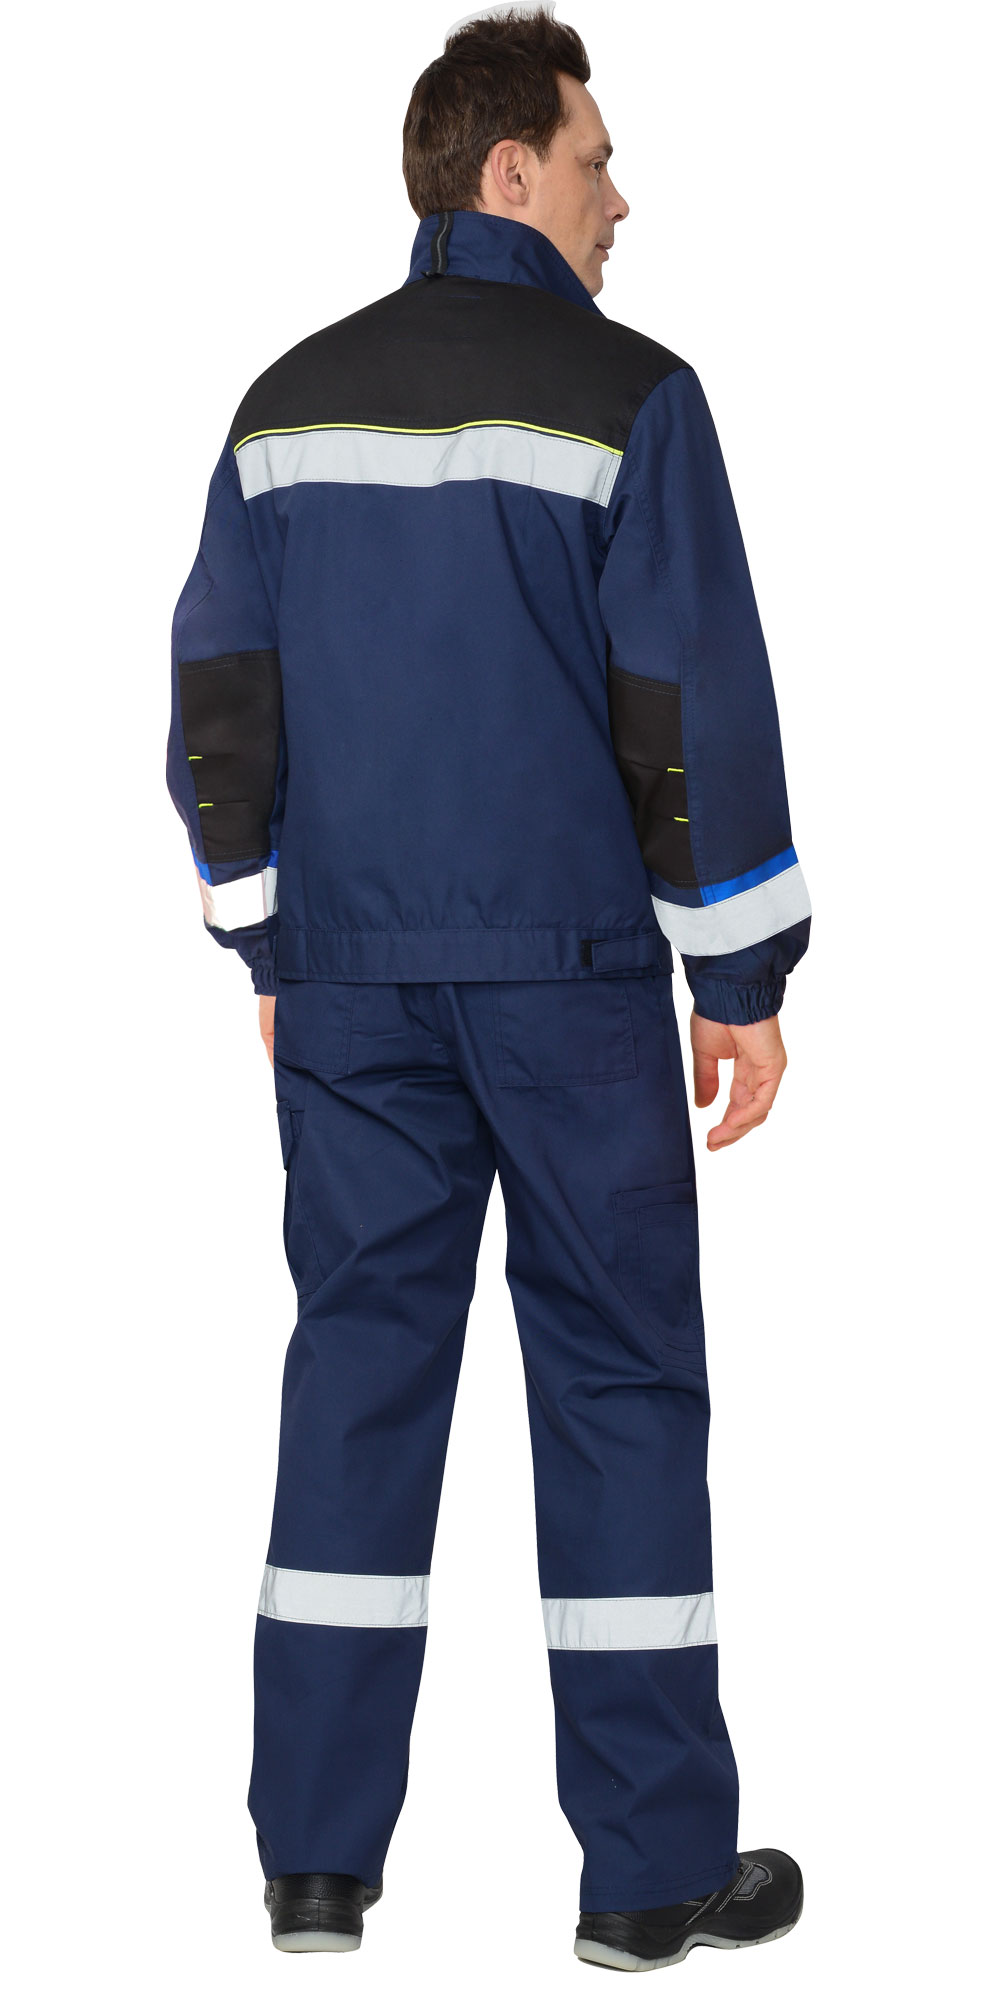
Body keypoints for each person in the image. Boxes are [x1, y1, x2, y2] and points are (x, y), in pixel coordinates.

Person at [166, 4, 810, 1971]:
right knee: (615, 1381)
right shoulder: (630, 397)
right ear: (507, 168)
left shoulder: (282, 407)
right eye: (597, 159)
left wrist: (266, 938)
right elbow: (685, 701)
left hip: (353, 992)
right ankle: (646, 1878)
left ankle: (312, 1864)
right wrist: (739, 969)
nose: (624, 197)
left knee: (357, 1373)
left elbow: (218, 701)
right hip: (568, 986)